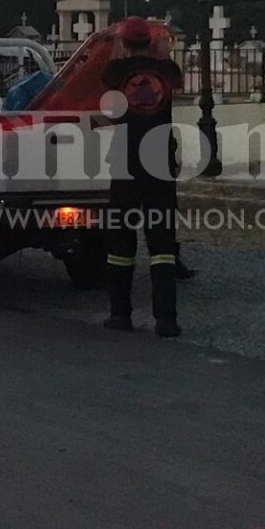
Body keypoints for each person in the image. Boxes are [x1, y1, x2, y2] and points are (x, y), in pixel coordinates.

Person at [101, 17, 184, 337]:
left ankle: (120, 315)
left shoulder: (116, 73)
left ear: (124, 42)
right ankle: (166, 320)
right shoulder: (167, 71)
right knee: (162, 246)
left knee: (120, 244)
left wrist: (116, 47)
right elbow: (175, 75)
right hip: (160, 167)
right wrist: (159, 50)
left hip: (125, 166)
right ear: (149, 41)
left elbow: (106, 76)